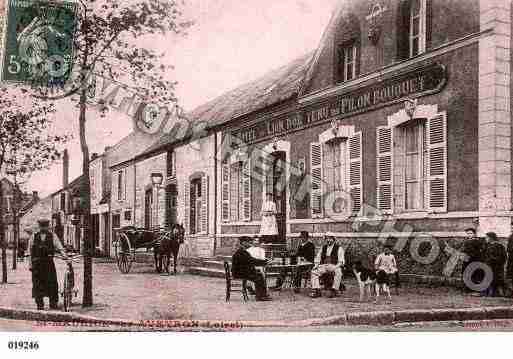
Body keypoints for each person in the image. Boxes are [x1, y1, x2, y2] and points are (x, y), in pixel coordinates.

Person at [28, 219, 68, 310]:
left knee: (52, 283)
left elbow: (60, 247)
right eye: (42, 226)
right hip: (37, 264)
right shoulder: (33, 236)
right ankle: (39, 304)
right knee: (37, 284)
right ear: (39, 226)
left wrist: (64, 256)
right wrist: (30, 264)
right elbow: (29, 252)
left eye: (45, 226)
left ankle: (53, 303)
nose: (43, 228)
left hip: (48, 264)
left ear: (48, 226)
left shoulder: (53, 236)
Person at [232, 236, 271, 301]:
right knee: (258, 277)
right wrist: (265, 262)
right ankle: (260, 296)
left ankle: (262, 295)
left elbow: (250, 261)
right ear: (244, 243)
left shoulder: (242, 250)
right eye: (249, 243)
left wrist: (264, 261)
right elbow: (252, 261)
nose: (250, 244)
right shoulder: (242, 251)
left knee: (259, 275)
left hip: (241, 271)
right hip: (239, 273)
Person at [310, 232, 345, 298]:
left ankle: (334, 290)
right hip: (324, 266)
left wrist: (335, 267)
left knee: (338, 272)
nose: (328, 240)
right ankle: (317, 290)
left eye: (330, 238)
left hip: (334, 265)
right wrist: (316, 265)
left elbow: (341, 261)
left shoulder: (339, 248)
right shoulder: (323, 248)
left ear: (334, 239)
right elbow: (318, 257)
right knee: (313, 271)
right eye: (327, 239)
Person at [461, 227, 486, 292]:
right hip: (466, 260)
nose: (469, 235)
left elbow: (480, 251)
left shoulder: (477, 241)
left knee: (475, 273)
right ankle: (467, 288)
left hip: (474, 259)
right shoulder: (465, 241)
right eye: (468, 233)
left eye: (471, 233)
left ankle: (475, 288)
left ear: (474, 234)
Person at [484, 232, 507, 297]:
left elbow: (503, 257)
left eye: (487, 237)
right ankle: (490, 293)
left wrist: (493, 260)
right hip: (489, 265)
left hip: (496, 266)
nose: (486, 239)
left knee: (496, 279)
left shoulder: (499, 246)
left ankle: (498, 293)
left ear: (491, 238)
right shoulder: (488, 245)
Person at [506, 226, 513, 296]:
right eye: (512, 228)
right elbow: (508, 249)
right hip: (511, 259)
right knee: (510, 274)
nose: (512, 229)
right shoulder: (511, 237)